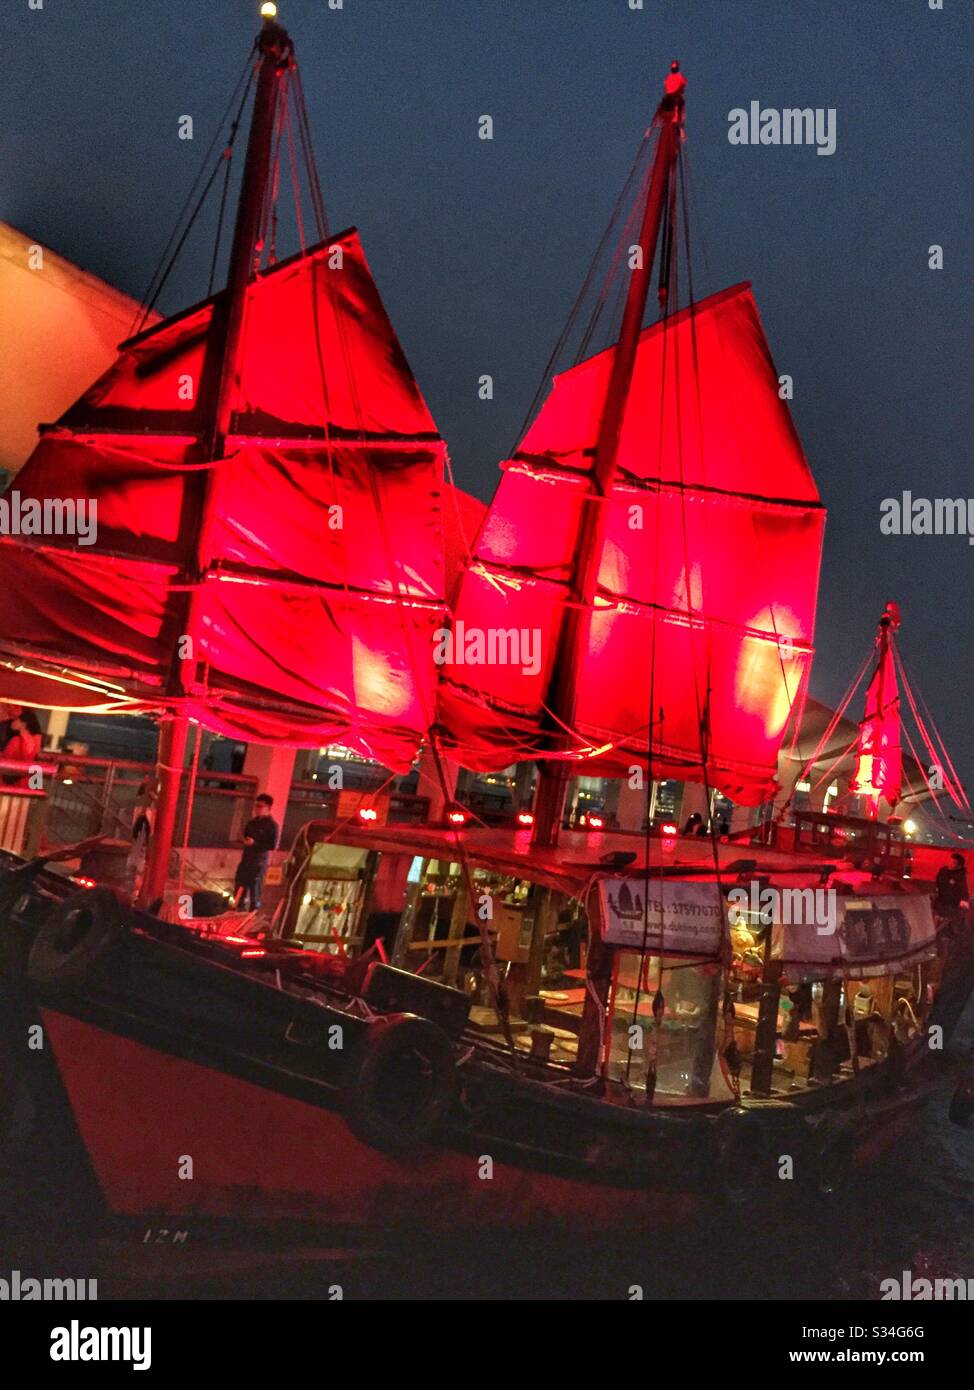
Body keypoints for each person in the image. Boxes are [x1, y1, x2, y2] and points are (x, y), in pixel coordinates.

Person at [233, 792, 279, 911]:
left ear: (268, 808)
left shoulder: (272, 825)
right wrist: (245, 840)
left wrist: (255, 843)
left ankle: (252, 914)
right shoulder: (251, 823)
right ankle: (238, 910)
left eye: (260, 806)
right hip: (246, 860)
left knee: (255, 892)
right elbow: (246, 836)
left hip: (258, 862)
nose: (256, 809)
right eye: (255, 806)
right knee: (239, 888)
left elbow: (271, 845)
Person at [1, 709, 42, 786]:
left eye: (16, 719)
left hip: (17, 780)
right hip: (22, 780)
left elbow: (8, 757)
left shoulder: (23, 740)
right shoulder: (26, 739)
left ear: (23, 724)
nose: (12, 721)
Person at [935, 853, 969, 917]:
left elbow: (964, 890)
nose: (950, 863)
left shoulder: (961, 876)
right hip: (940, 899)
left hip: (952, 904)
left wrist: (963, 901)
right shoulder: (943, 870)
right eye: (950, 861)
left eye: (953, 863)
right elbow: (938, 881)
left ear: (959, 866)